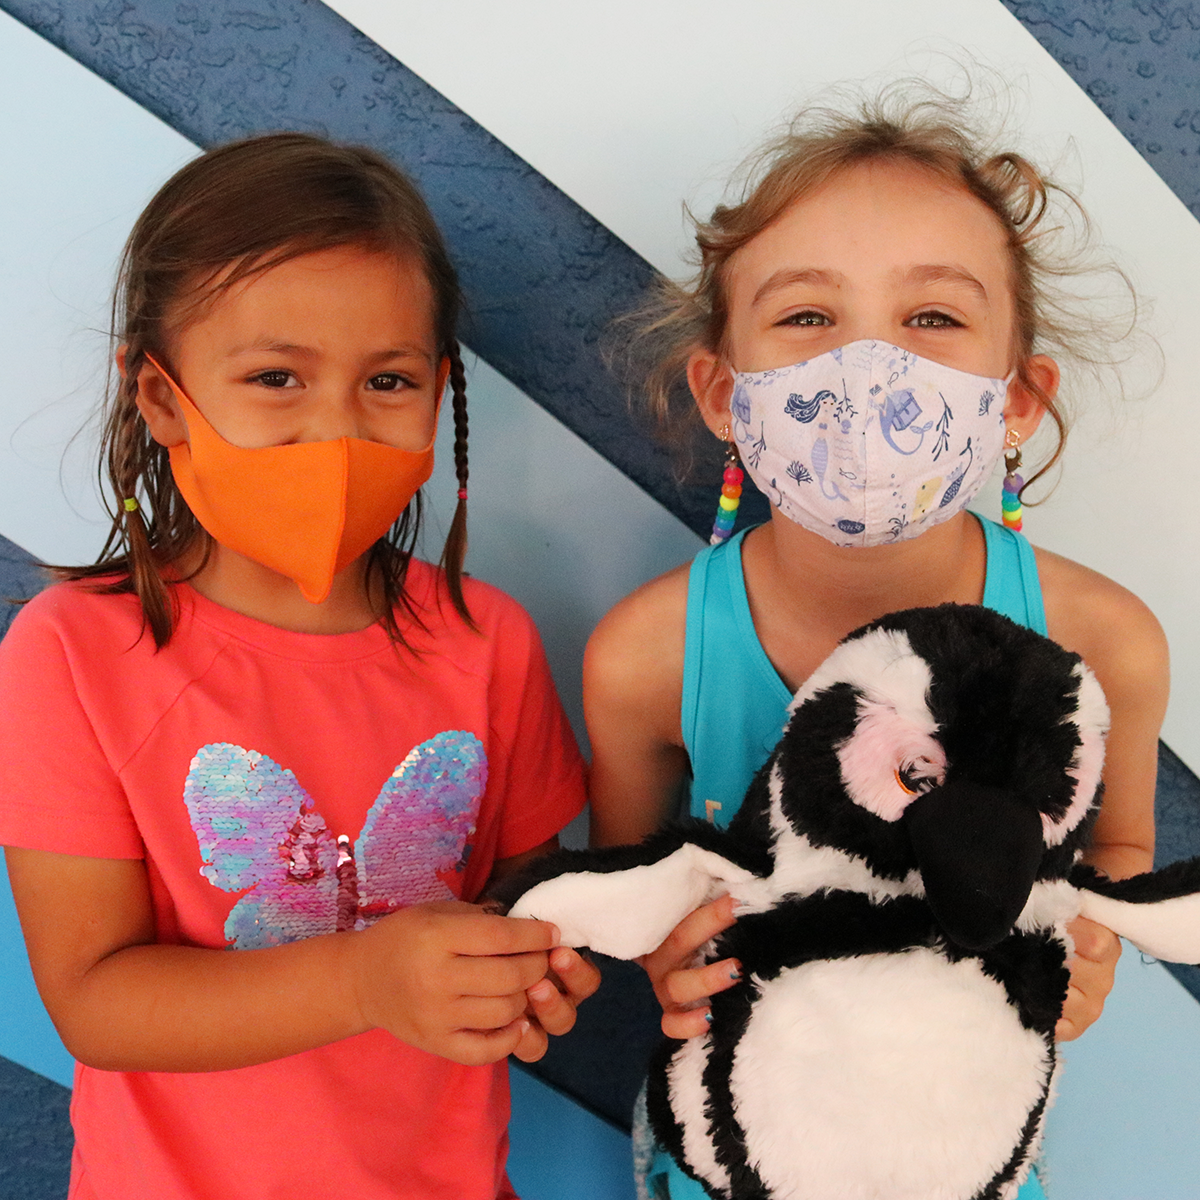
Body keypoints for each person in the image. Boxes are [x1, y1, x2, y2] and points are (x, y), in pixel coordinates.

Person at [585, 89, 1168, 1199]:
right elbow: (637, 891)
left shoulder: (1105, 644)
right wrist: (661, 956)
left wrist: (1092, 950)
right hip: (722, 1158)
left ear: (1019, 398)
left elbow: (1120, 853)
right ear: (722, 390)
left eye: (933, 320)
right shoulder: (643, 657)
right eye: (807, 318)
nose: (870, 369)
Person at [0, 133, 598, 1200]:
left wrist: (532, 967)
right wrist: (366, 978)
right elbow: (93, 1000)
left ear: (439, 394)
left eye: (387, 380)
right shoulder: (72, 655)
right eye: (276, 377)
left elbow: (526, 889)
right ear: (163, 399)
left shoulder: (488, 640)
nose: (334, 429)